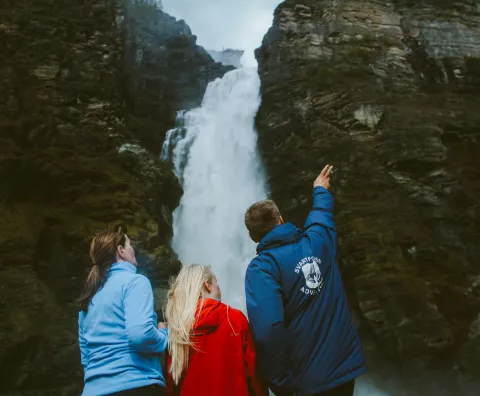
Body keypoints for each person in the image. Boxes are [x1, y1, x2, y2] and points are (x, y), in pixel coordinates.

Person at [244, 165, 366, 396]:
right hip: (344, 368)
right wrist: (320, 189)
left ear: (252, 237)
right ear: (281, 219)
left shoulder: (261, 268)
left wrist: (279, 382)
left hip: (305, 379)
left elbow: (269, 329)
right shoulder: (317, 242)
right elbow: (322, 215)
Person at [78, 229, 168, 396]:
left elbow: (86, 359)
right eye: (129, 245)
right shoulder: (135, 282)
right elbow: (141, 334)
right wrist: (164, 334)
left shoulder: (89, 298)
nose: (133, 250)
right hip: (135, 385)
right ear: (121, 251)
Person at [164, 264, 267, 396]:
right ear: (207, 285)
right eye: (216, 281)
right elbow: (253, 374)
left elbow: (172, 382)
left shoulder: (179, 327)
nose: (219, 286)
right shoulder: (234, 318)